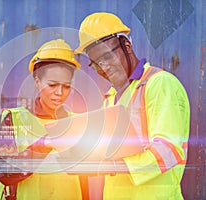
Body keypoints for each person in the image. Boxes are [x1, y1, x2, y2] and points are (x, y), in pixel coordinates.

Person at [75, 12, 190, 199]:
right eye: (96, 63)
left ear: (126, 46)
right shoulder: (110, 99)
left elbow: (169, 150)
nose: (104, 67)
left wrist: (113, 166)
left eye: (107, 56)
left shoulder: (159, 84)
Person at [0, 39, 83, 200]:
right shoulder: (13, 119)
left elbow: (84, 180)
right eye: (52, 85)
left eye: (66, 86)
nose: (60, 92)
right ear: (37, 81)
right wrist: (44, 144)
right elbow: (2, 172)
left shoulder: (78, 123)